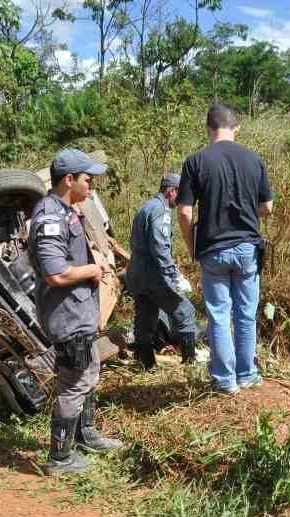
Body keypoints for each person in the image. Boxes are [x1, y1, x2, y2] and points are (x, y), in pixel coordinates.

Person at [28, 148, 122, 476]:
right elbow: (56, 273)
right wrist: (93, 270)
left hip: (79, 313)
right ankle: (60, 458)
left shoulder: (68, 209)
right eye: (88, 179)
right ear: (69, 180)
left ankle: (86, 434)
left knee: (89, 373)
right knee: (73, 384)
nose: (92, 186)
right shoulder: (50, 217)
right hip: (67, 317)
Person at [176, 104, 273, 395]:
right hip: (247, 249)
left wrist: (193, 247)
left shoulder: (195, 161)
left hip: (214, 250)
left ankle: (225, 381)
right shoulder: (254, 159)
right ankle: (247, 374)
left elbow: (183, 212)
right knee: (246, 314)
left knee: (219, 315)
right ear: (237, 127)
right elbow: (267, 207)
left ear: (208, 129)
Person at [126, 173, 197, 371]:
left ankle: (147, 365)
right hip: (154, 275)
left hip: (137, 274)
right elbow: (160, 247)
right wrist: (175, 276)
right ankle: (190, 365)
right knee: (186, 313)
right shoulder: (161, 211)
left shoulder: (145, 207)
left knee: (145, 319)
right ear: (171, 191)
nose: (182, 200)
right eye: (180, 195)